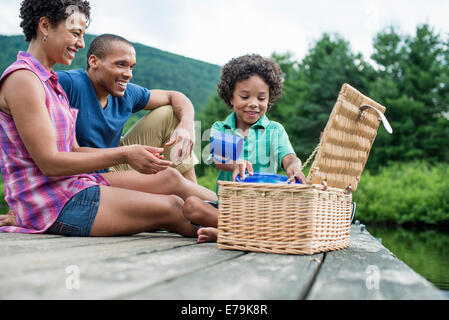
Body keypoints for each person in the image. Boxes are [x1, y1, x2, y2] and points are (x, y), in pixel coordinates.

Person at [0, 0, 217, 237]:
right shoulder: (23, 79)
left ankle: (245, 212)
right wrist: (124, 154)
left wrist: (131, 151)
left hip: (76, 184)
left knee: (169, 177)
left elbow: (73, 150)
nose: (81, 44)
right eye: (75, 33)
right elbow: (49, 163)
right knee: (174, 207)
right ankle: (244, 229)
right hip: (52, 205)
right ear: (45, 26)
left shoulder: (51, 84)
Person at [182, 54, 307, 243]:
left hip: (264, 208)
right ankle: (245, 232)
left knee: (289, 212)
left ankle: (228, 233)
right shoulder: (222, 127)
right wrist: (233, 164)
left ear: (269, 99)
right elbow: (220, 159)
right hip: (229, 207)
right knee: (191, 206)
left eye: (261, 98)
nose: (254, 104)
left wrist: (294, 167)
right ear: (231, 97)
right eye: (244, 96)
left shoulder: (274, 130)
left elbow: (289, 157)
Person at [56, 33, 199, 183]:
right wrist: (126, 153)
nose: (128, 74)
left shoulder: (125, 92)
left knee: (171, 114)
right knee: (171, 180)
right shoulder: (68, 84)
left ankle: (195, 194)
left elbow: (174, 96)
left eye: (131, 67)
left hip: (113, 164)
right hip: (81, 173)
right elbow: (64, 153)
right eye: (121, 65)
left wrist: (187, 124)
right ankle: (199, 198)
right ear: (94, 61)